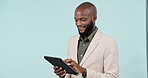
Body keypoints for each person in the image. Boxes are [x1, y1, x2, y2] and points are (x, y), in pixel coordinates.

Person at [53, 2, 119, 78]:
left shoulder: (109, 42)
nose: (78, 24)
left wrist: (84, 71)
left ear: (94, 18)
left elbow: (113, 76)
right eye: (76, 20)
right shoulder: (71, 41)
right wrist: (63, 74)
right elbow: (72, 74)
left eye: (83, 20)